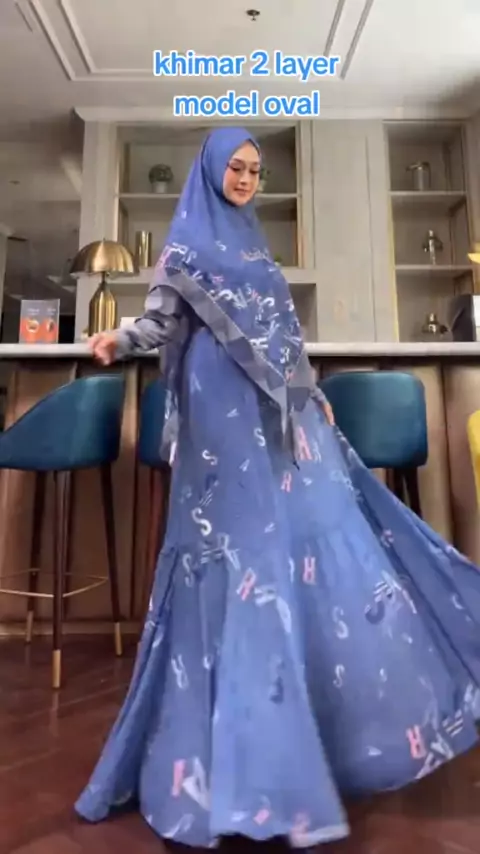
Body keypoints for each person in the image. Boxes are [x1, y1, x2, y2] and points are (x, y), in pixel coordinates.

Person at [75, 126, 480, 849]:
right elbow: (160, 321)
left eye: (254, 170)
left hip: (277, 414)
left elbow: (283, 337)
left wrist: (308, 392)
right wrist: (119, 338)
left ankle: (317, 737)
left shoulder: (257, 249)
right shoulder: (185, 247)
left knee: (312, 534)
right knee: (235, 553)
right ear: (209, 170)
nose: (244, 178)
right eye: (234, 167)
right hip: (217, 413)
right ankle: (226, 762)